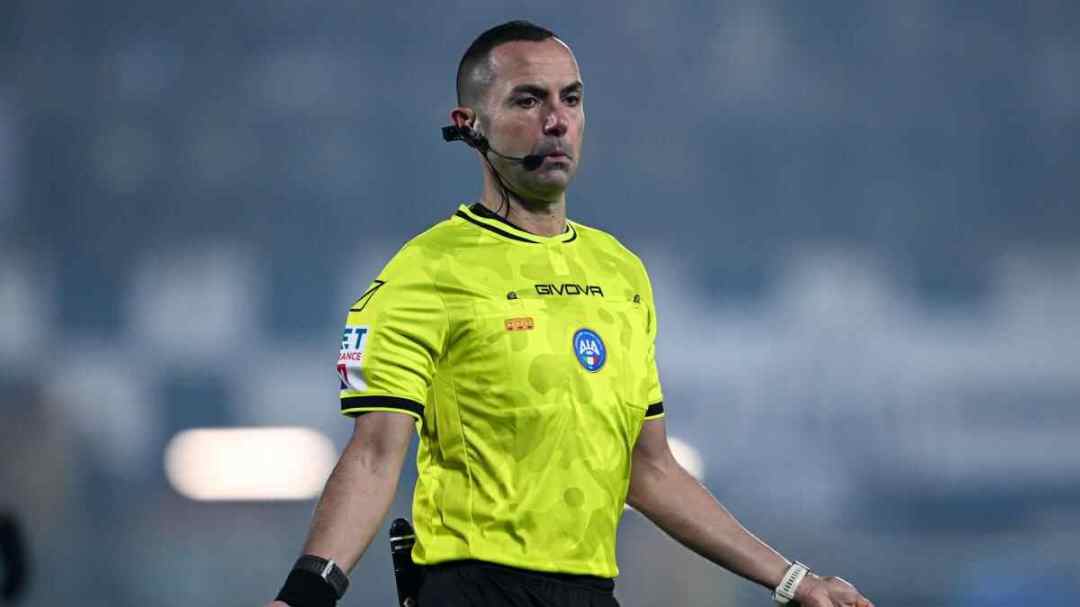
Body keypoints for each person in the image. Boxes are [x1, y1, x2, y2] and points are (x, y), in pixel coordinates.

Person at [267, 21, 875, 607]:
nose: (556, 120)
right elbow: (374, 458)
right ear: (470, 124)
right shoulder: (425, 273)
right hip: (473, 590)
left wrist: (795, 581)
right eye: (528, 100)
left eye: (571, 99)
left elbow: (649, 469)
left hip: (591, 592)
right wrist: (305, 594)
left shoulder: (620, 272)